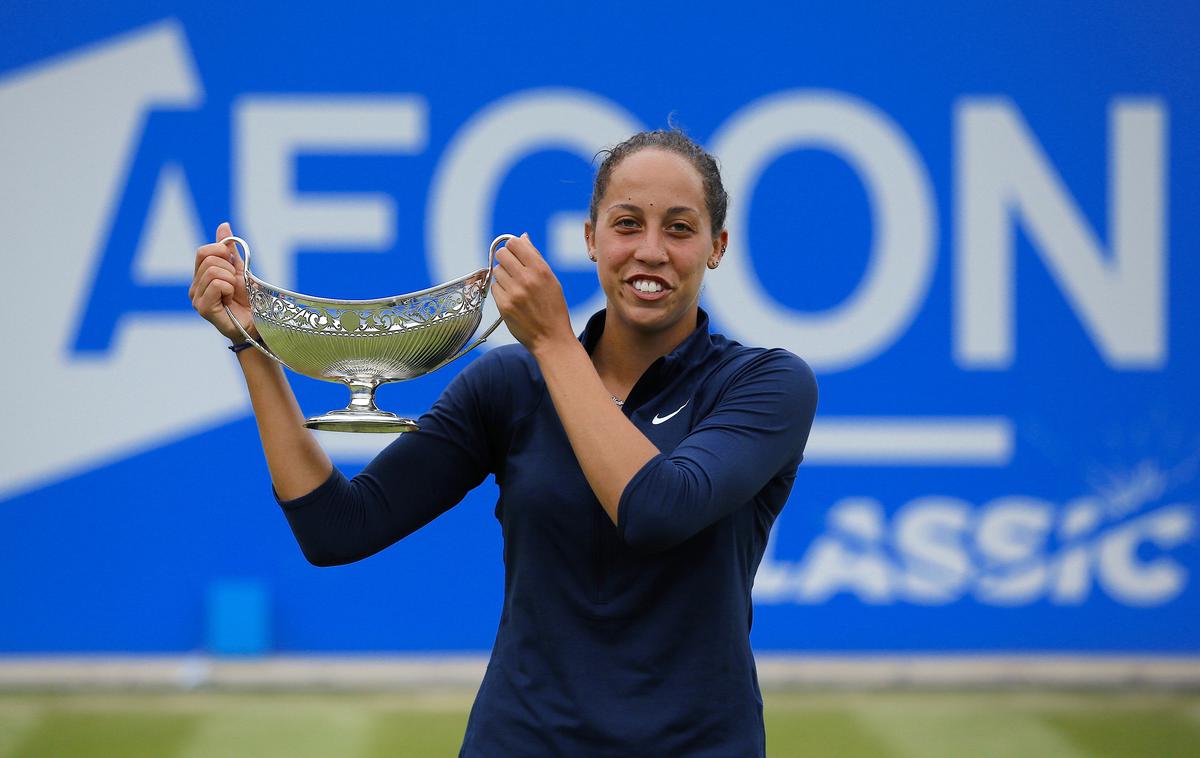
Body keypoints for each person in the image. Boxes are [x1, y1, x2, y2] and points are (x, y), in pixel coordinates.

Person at [190, 129, 817, 756]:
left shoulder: (764, 384)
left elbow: (656, 510)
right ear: (591, 238)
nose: (650, 250)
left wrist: (551, 342)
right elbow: (337, 529)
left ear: (717, 247)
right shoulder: (510, 384)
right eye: (627, 224)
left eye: (680, 229)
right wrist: (253, 345)